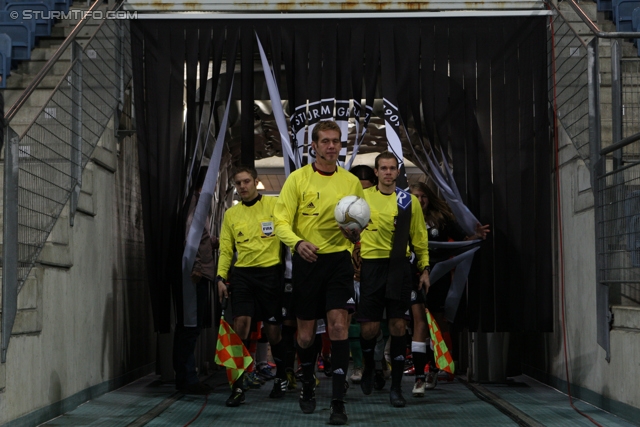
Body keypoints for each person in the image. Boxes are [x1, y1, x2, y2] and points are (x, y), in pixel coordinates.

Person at [274, 120, 364, 425]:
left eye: (335, 141)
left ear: (340, 145)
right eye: (325, 141)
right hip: (307, 263)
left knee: (339, 327)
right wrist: (297, 243)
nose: (331, 146)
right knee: (305, 335)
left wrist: (355, 237)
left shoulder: (350, 182)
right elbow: (280, 222)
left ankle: (338, 400)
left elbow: (358, 223)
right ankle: (308, 381)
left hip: (338, 261)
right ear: (313, 146)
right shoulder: (297, 180)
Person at [358, 151, 430, 408]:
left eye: (392, 168)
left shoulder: (408, 201)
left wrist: (424, 269)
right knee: (370, 329)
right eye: (383, 168)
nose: (388, 172)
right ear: (376, 172)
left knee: (399, 326)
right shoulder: (362, 198)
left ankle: (397, 388)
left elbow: (420, 238)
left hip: (400, 267)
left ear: (397, 173)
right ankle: (369, 367)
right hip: (371, 268)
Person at [216, 166, 288, 406]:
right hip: (243, 275)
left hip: (270, 274)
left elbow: (287, 234)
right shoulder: (231, 215)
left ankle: (281, 377)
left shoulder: (274, 207)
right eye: (239, 183)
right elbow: (226, 249)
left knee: (273, 330)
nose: (243, 186)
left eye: (247, 181)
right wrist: (220, 277)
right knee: (241, 326)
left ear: (256, 182)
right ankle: (237, 386)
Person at [408, 181, 489, 393]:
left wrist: (477, 235)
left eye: (423, 196)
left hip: (439, 276)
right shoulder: (405, 218)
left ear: (429, 198)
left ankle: (435, 368)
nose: (420, 200)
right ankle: (422, 369)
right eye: (415, 196)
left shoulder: (441, 219)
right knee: (419, 324)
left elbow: (464, 239)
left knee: (436, 321)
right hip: (414, 276)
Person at [173, 167, 216, 395]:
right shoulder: (198, 202)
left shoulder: (197, 201)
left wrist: (214, 242)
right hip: (194, 273)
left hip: (196, 271)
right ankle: (187, 378)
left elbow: (201, 235)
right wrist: (198, 265)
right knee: (190, 327)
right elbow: (192, 232)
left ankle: (186, 376)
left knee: (188, 327)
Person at [347, 165, 377, 384]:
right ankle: (358, 364)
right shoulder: (345, 206)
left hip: (374, 270)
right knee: (350, 321)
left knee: (377, 321)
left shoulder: (378, 206)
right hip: (348, 272)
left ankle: (377, 362)